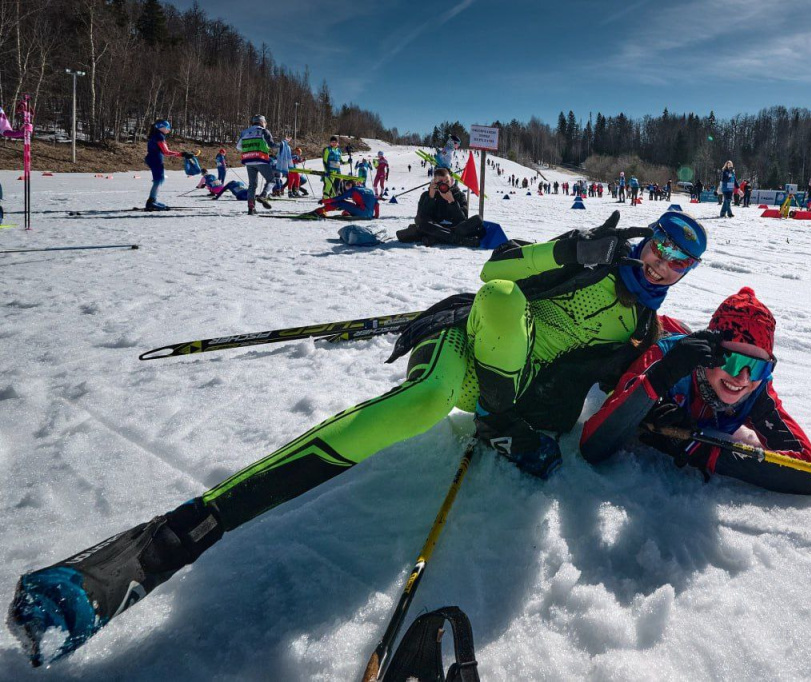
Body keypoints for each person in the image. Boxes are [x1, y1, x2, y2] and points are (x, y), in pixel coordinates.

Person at [8, 210, 709, 664]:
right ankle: (163, 544)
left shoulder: (642, 328)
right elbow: (494, 274)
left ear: (684, 274)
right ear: (644, 238)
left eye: (677, 263)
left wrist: (685, 384)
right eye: (658, 247)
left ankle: (501, 420)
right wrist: (570, 248)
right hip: (468, 347)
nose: (659, 265)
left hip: (520, 397)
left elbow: (620, 403)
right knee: (430, 393)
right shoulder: (589, 256)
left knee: (493, 394)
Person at [581, 286, 811, 496]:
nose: (743, 378)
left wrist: (701, 451)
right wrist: (658, 382)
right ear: (711, 351)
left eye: (759, 366)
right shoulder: (667, 359)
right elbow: (593, 446)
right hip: (642, 335)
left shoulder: (757, 389)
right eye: (732, 360)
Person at [395, 166, 478, 246]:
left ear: (452, 181)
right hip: (432, 227)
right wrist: (431, 197)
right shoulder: (426, 195)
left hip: (449, 228)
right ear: (434, 183)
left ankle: (435, 238)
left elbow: (463, 219)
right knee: (421, 224)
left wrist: (452, 202)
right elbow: (420, 218)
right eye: (440, 183)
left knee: (478, 219)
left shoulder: (459, 195)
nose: (444, 185)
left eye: (447, 182)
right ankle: (458, 239)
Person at [144, 119, 192, 212]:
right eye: (167, 127)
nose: (169, 129)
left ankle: (153, 200)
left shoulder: (157, 135)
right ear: (160, 127)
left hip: (153, 159)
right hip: (155, 160)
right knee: (158, 180)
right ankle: (151, 202)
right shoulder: (159, 136)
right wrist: (182, 154)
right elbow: (166, 152)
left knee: (159, 180)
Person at [236, 114, 276, 215]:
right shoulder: (264, 131)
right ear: (262, 122)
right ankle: (263, 196)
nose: (265, 124)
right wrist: (283, 144)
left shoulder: (244, 132)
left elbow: (239, 147)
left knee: (252, 185)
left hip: (248, 160)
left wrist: (250, 148)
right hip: (261, 159)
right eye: (265, 122)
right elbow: (272, 145)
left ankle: (251, 208)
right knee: (271, 180)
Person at [299, 178, 378, 220]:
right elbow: (376, 204)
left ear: (350, 185)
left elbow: (338, 198)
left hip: (362, 213)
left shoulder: (353, 190)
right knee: (349, 207)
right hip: (369, 214)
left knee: (341, 202)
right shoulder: (369, 190)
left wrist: (324, 201)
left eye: (346, 187)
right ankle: (347, 213)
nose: (346, 189)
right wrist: (376, 216)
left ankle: (318, 211)